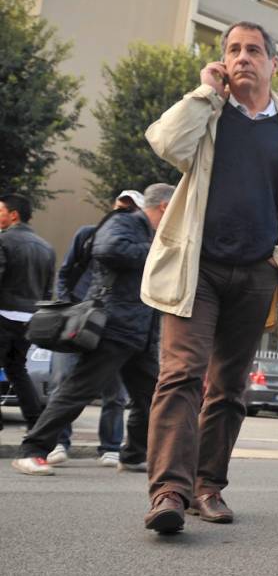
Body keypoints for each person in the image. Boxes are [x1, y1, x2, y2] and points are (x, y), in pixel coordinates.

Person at [140, 19, 278, 533]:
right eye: (232, 50)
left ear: (273, 63)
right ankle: (169, 493)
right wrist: (205, 91)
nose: (242, 57)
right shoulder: (209, 113)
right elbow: (165, 143)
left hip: (256, 275)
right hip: (195, 269)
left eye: (252, 50)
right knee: (181, 375)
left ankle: (208, 486)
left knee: (228, 387)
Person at [11, 185, 173, 477]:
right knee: (78, 390)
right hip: (115, 326)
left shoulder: (151, 233)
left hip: (141, 331)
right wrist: (157, 251)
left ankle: (134, 455)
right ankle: (32, 450)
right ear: (164, 206)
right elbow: (108, 248)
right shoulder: (125, 222)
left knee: (148, 396)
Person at [43, 190, 147, 469]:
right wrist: (68, 303)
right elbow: (66, 272)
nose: (124, 210)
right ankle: (58, 443)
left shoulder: (136, 240)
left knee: (115, 390)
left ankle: (111, 446)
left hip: (109, 321)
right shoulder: (89, 234)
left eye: (131, 207)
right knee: (64, 381)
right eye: (121, 204)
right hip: (78, 318)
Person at [0, 194, 56, 431]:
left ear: (14, 215)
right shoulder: (46, 247)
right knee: (16, 369)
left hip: (3, 314)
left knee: (15, 369)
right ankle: (35, 421)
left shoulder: (3, 241)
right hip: (29, 319)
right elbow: (48, 289)